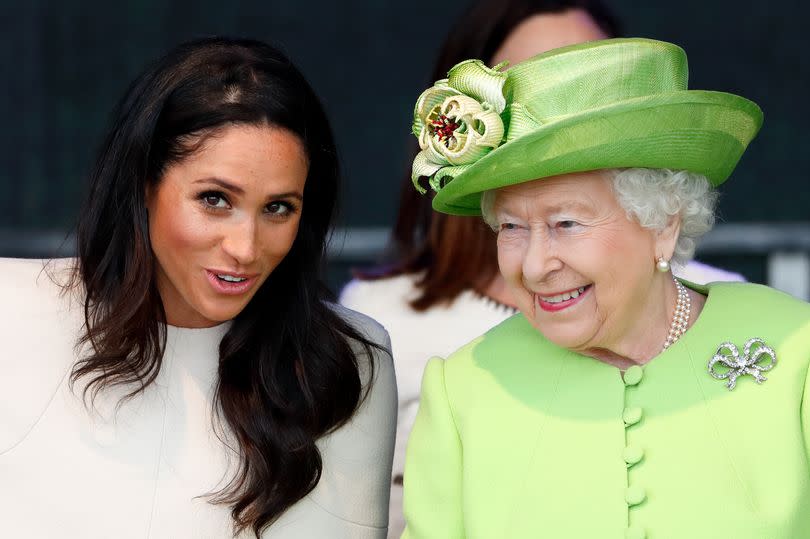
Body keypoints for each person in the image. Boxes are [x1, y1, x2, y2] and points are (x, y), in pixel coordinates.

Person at [339, 1, 740, 535]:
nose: (555, 101)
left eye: (580, 74)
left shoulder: (747, 323)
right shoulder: (418, 347)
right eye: (528, 82)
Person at [401, 37, 810, 538]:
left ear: (663, 224)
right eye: (511, 227)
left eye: (566, 223)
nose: (534, 266)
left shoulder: (797, 351)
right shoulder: (463, 388)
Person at [0, 37, 396, 538]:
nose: (246, 247)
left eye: (278, 208)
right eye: (214, 199)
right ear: (144, 183)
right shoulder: (10, 310)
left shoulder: (347, 361)